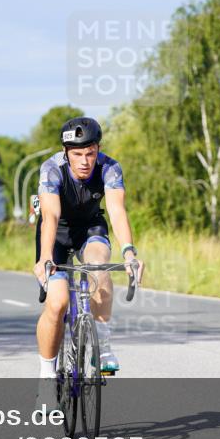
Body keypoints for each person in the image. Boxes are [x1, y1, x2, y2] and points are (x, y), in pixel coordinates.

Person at [32, 116, 144, 409]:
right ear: (67, 152)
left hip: (90, 228)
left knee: (99, 266)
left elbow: (117, 210)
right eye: (78, 154)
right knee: (56, 303)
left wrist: (129, 252)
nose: (85, 161)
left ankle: (102, 347)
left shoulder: (110, 167)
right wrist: (45, 258)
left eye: (90, 153)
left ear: (98, 149)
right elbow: (51, 216)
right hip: (56, 234)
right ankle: (46, 379)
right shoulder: (51, 169)